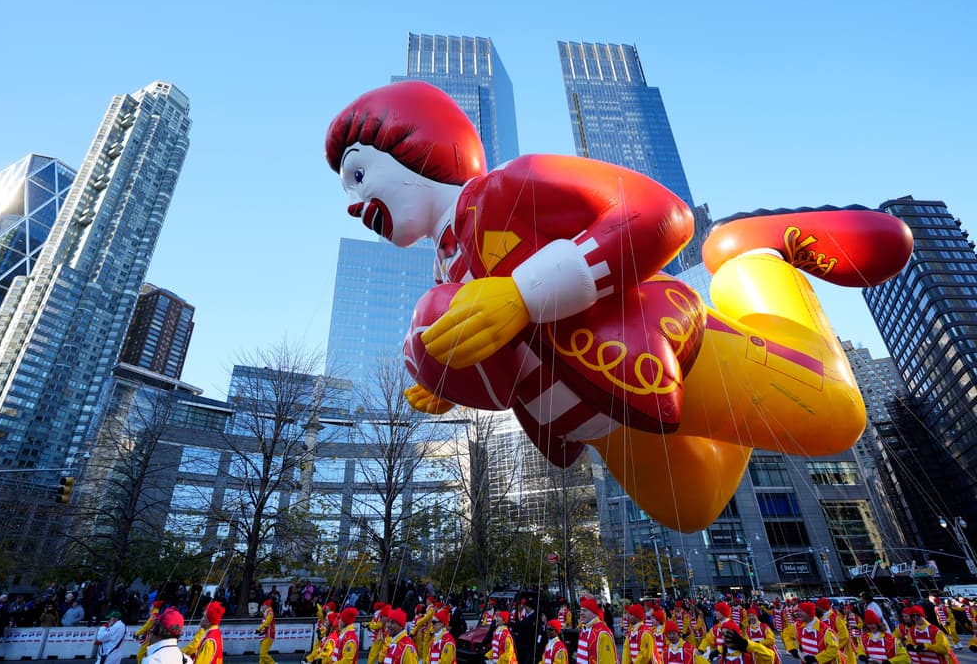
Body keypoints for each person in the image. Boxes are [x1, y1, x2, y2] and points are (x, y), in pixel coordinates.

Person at [326, 81, 913, 534]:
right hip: (605, 415)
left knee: (837, 416)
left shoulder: (515, 183)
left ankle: (751, 261)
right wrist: (448, 376)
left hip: (649, 350)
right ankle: (745, 396)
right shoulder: (445, 267)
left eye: (357, 174)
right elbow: (501, 352)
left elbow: (660, 212)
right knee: (693, 506)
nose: (353, 203)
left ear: (415, 140)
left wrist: (523, 295)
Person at [577, 598, 616, 664]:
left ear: (593, 613)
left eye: (584, 610)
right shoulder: (585, 629)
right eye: (581, 610)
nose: (581, 613)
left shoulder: (602, 633)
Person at [256, 598, 276, 664]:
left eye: (263, 605)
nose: (262, 607)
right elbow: (266, 624)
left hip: (269, 635)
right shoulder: (267, 612)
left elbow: (267, 622)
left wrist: (259, 629)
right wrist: (261, 632)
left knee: (263, 654)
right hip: (266, 635)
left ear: (266, 605)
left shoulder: (270, 612)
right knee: (262, 655)